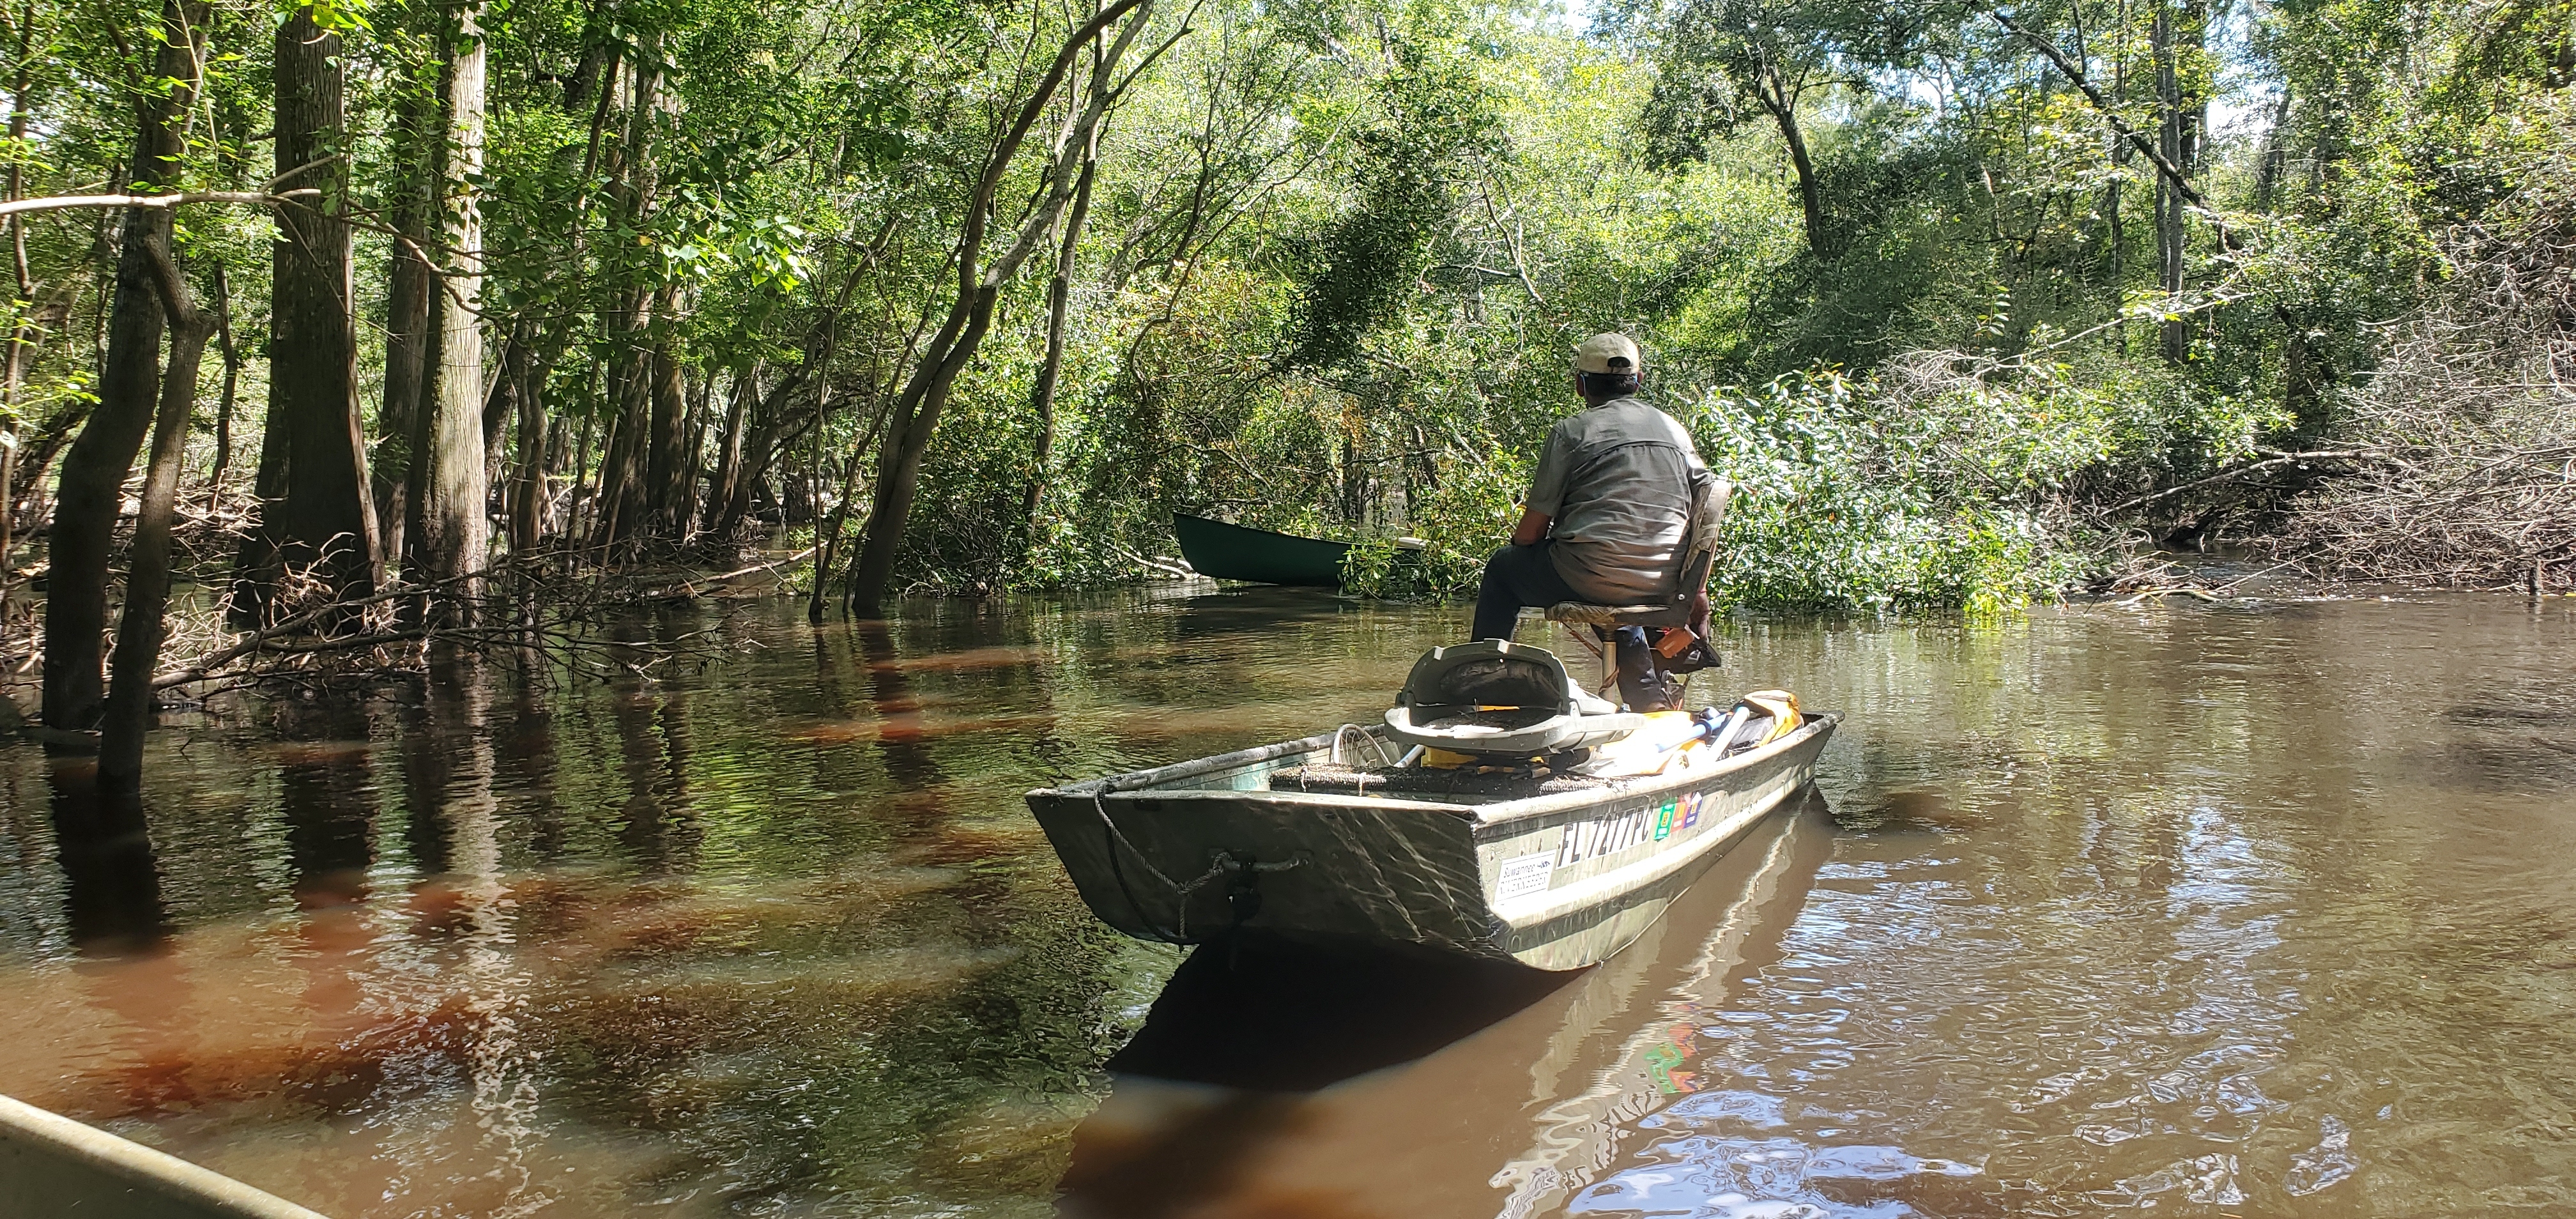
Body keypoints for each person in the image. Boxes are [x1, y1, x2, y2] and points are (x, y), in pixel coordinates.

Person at [1471, 332, 1719, 710]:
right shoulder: (1674, 431)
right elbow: (1707, 504)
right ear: (1637, 381)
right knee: (1612, 587)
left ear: (1580, 385)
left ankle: (1481, 688)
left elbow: (1532, 532)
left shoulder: (1572, 432)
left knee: (1504, 570)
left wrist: (1528, 548)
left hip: (1592, 576)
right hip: (1668, 583)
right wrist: (1696, 591)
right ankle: (1646, 699)